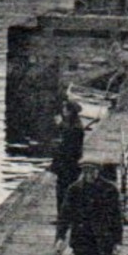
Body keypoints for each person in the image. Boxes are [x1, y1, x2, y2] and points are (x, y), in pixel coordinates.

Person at [50, 99, 85, 240]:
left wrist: (59, 124)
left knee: (64, 191)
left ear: (70, 112)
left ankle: (65, 219)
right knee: (64, 191)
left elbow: (67, 143)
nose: (63, 112)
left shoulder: (74, 128)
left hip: (69, 165)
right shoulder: (73, 125)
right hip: (68, 164)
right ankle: (63, 218)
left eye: (65, 109)